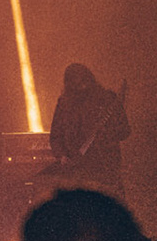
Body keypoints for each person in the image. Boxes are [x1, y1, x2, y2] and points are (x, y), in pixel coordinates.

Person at [48, 62, 129, 195]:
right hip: (76, 170)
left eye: (83, 82)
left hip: (105, 168)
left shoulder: (107, 99)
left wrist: (108, 132)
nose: (81, 87)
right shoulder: (64, 103)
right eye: (76, 83)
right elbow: (56, 135)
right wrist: (62, 155)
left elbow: (124, 130)